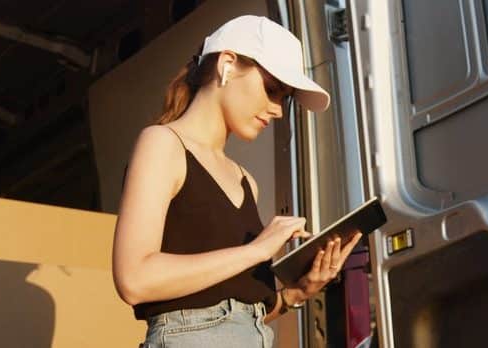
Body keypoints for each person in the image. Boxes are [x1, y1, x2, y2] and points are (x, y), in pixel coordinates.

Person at [112, 15, 362, 348]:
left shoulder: (246, 182)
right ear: (227, 64)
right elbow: (134, 279)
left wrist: (297, 293)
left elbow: (236, 309)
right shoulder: (162, 144)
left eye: (284, 98)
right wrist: (256, 250)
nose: (277, 110)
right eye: (272, 90)